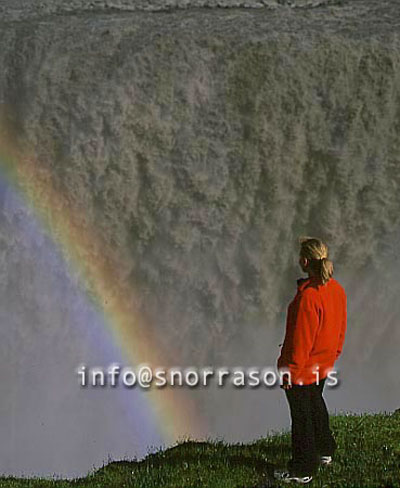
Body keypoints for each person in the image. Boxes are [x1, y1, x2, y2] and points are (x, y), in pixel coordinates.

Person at [274, 237, 347, 484]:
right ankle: (325, 449)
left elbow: (300, 342)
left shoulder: (308, 298)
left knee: (301, 417)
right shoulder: (336, 289)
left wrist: (289, 372)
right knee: (316, 404)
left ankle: (303, 468)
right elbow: (341, 329)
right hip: (323, 364)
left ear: (304, 261)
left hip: (303, 369)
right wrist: (334, 354)